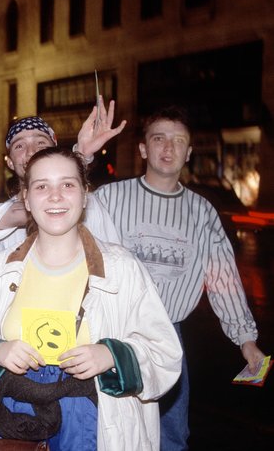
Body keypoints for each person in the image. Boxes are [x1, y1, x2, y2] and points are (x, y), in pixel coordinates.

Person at [0, 146, 182, 450]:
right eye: (42, 186)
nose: (55, 196)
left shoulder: (122, 269)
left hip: (97, 423)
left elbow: (166, 353)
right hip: (18, 419)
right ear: (26, 198)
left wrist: (112, 356)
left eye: (67, 185)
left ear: (84, 195)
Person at [90, 105, 267, 451]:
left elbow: (223, 278)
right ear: (143, 148)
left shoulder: (202, 212)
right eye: (159, 139)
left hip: (167, 336)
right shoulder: (109, 199)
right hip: (110, 330)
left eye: (178, 141)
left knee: (170, 435)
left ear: (189, 152)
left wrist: (246, 339)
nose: (168, 148)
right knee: (104, 430)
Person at [0, 103, 126, 258]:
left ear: (54, 150)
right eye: (20, 146)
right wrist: (80, 156)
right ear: (10, 162)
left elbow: (113, 261)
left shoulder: (90, 205)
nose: (31, 151)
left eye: (40, 142)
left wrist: (80, 157)